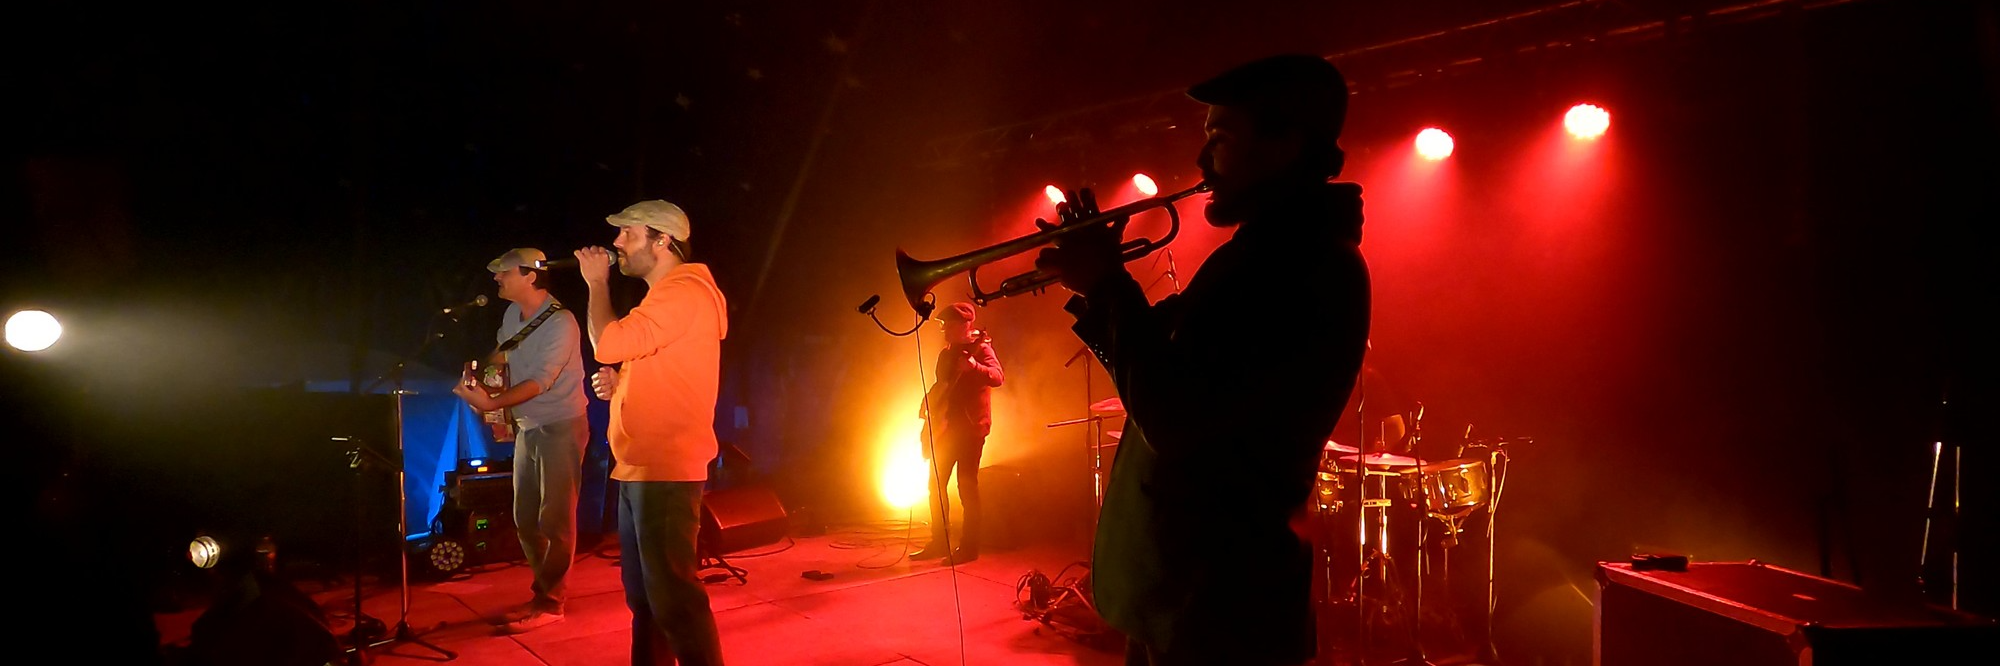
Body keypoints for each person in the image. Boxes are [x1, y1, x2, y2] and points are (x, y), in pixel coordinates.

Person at [1033, 53, 1371, 666]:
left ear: (1284, 145)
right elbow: (1157, 370)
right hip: (1188, 597)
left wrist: (1111, 287)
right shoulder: (1261, 255)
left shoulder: (1304, 266)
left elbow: (1172, 418)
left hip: (1223, 607)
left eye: (1220, 137)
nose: (1200, 160)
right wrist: (1100, 293)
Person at [574, 199, 728, 666]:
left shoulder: (682, 291)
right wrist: (623, 385)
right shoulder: (669, 294)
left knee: (674, 601)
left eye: (628, 234)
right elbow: (661, 365)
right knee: (647, 603)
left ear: (663, 241)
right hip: (640, 466)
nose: (616, 243)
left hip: (665, 467)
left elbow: (609, 344)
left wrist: (597, 284)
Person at [452, 248, 590, 634]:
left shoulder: (562, 322)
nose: (496, 278)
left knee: (556, 519)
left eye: (503, 273)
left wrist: (493, 401)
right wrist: (480, 378)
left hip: (561, 424)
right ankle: (543, 593)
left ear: (531, 276)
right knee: (525, 519)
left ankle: (551, 602)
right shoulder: (513, 314)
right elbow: (505, 355)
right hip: (529, 425)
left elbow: (540, 382)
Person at [912, 301, 1004, 564]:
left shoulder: (982, 349)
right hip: (946, 428)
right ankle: (939, 542)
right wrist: (929, 402)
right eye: (943, 326)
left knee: (967, 487)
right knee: (936, 485)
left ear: (966, 325)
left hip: (971, 429)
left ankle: (969, 547)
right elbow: (942, 384)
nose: (945, 330)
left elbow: (998, 377)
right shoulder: (946, 353)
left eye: (949, 325)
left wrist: (974, 366)